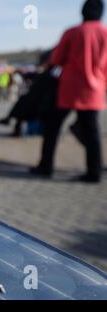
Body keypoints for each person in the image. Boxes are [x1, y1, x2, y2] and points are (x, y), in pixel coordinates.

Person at [31, 0, 106, 183]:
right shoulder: (105, 33)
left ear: (83, 11)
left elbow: (56, 59)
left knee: (53, 127)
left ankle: (46, 166)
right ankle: (94, 171)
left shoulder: (72, 32)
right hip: (94, 90)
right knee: (92, 132)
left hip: (70, 88)